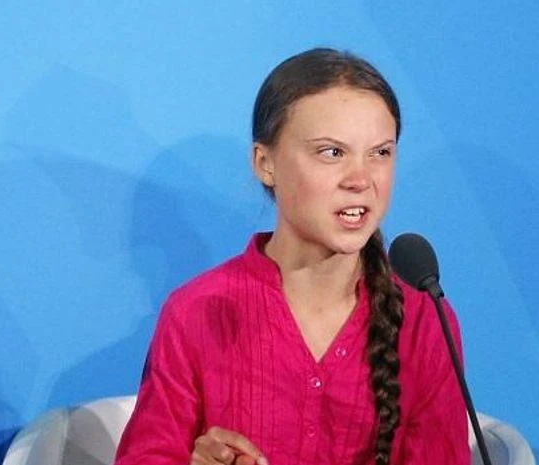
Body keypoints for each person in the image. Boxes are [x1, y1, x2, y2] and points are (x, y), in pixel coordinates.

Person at [114, 48, 469, 465]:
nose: (361, 180)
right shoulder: (194, 312)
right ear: (265, 163)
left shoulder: (425, 320)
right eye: (331, 152)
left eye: (380, 153)